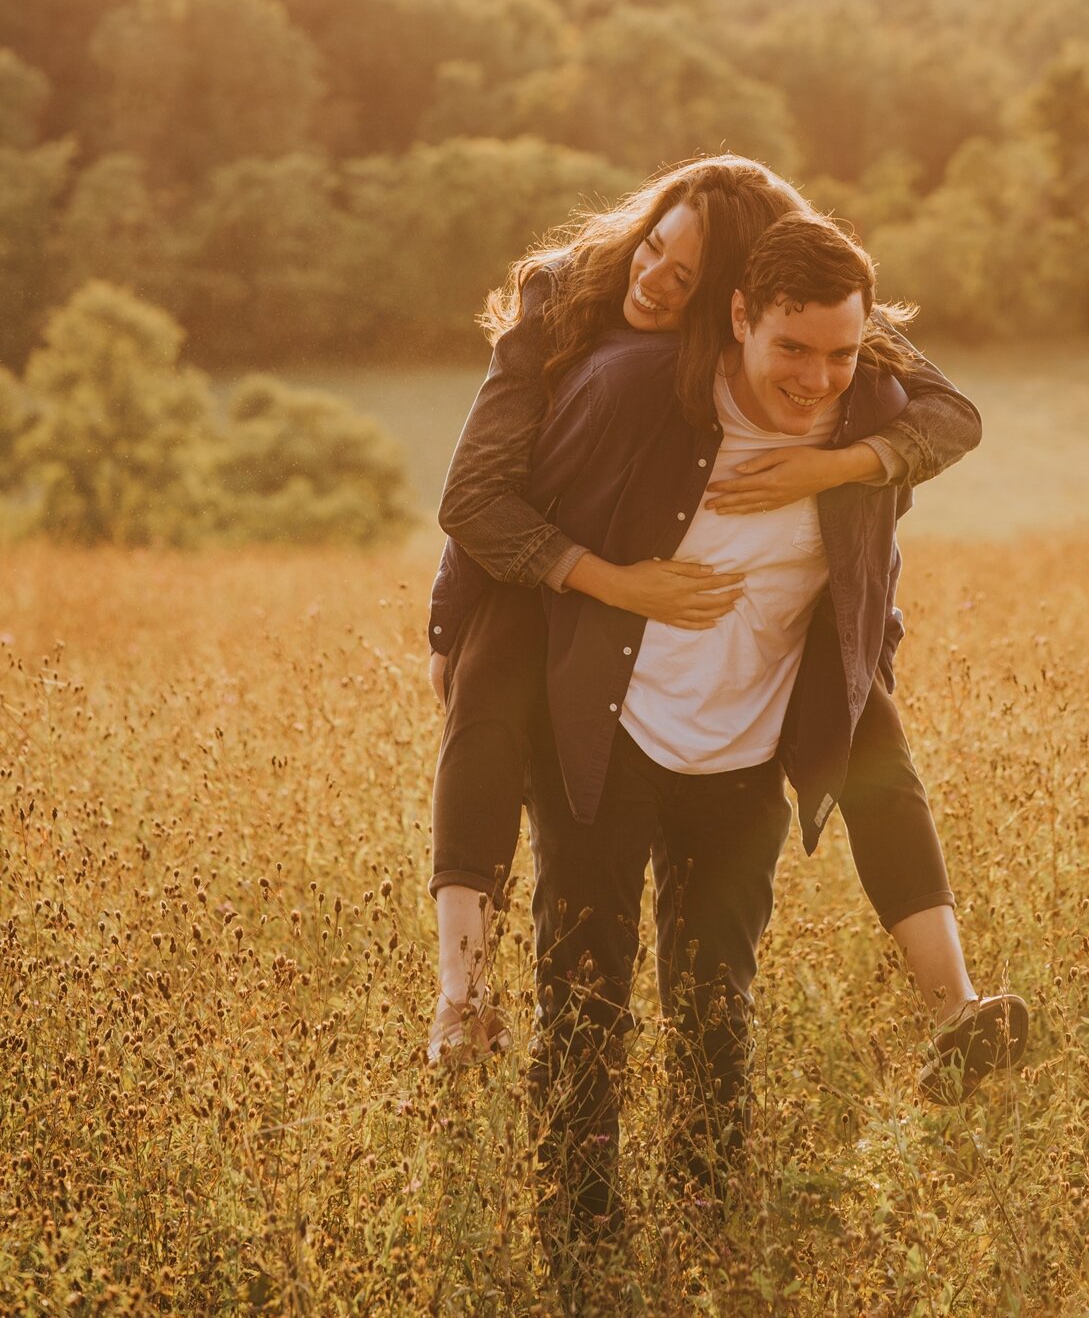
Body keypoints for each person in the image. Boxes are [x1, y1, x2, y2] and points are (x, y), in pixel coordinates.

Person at [425, 161, 1024, 1091]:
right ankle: (460, 996)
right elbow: (481, 497)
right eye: (657, 241)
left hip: (687, 653)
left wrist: (832, 468)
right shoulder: (566, 300)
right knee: (491, 688)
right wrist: (452, 623)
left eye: (689, 274)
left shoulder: (808, 343)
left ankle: (956, 1009)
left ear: (735, 299)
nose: (658, 277)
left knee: (868, 731)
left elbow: (945, 410)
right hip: (528, 565)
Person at [517, 211, 1026, 1259]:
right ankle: (581, 1243)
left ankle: (709, 1240)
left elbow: (959, 419)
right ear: (739, 316)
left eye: (842, 353)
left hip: (742, 764)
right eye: (792, 349)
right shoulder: (638, 393)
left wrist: (828, 470)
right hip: (607, 749)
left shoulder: (869, 417)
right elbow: (507, 501)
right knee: (583, 1008)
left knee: (715, 1014)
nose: (815, 378)